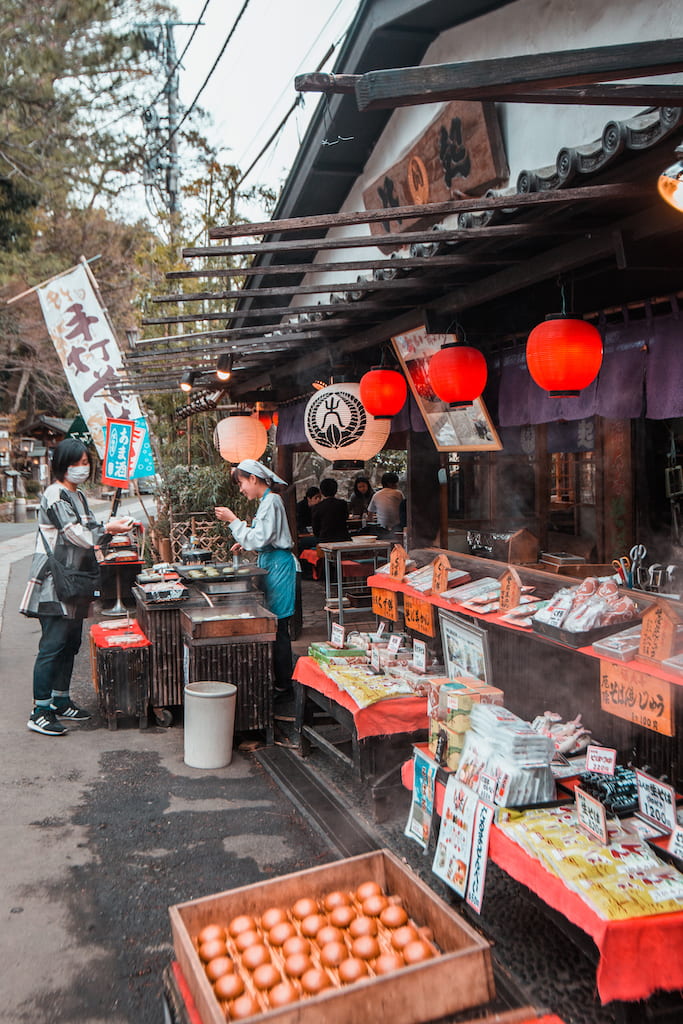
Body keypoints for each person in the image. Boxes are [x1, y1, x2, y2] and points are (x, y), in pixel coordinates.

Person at [20, 438, 133, 736]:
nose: (82, 468)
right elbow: (76, 535)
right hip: (54, 581)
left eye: (86, 463)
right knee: (52, 645)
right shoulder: (55, 494)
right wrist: (109, 529)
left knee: (71, 644)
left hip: (76, 580)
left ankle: (60, 699)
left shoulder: (79, 495)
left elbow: (93, 534)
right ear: (61, 465)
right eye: (77, 463)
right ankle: (40, 710)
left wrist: (114, 529)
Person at [215, 459, 299, 701]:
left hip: (279, 565)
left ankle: (284, 686)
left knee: (278, 626)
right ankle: (280, 680)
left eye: (241, 483)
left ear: (253, 478)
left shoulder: (272, 501)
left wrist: (233, 521)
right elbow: (261, 537)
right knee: (274, 624)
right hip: (271, 561)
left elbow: (261, 538)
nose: (242, 489)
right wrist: (246, 539)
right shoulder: (267, 502)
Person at [311, 477, 351, 543]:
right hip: (343, 538)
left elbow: (315, 529)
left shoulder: (317, 507)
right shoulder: (342, 504)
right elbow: (346, 517)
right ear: (336, 490)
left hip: (325, 539)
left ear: (321, 492)